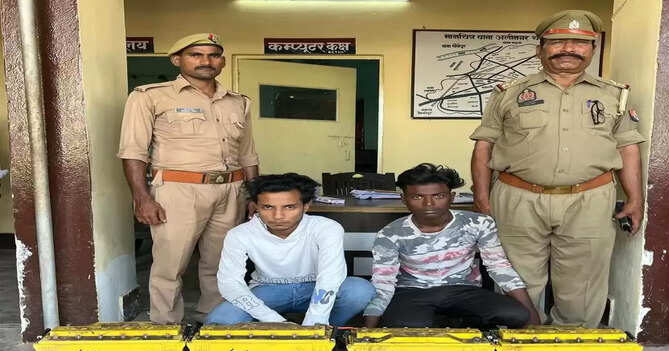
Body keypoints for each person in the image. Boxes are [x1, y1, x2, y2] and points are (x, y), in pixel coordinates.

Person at [469, 10, 645, 327]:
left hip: (590, 200)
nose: (568, 49)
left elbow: (627, 147)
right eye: (558, 42)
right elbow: (485, 145)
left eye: (579, 43)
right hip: (518, 198)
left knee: (583, 284)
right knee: (516, 280)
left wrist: (635, 199)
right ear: (540, 49)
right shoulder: (509, 93)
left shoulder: (614, 95)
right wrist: (482, 198)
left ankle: (570, 346)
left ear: (593, 49)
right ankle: (522, 346)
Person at [118, 33, 260, 324]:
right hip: (178, 190)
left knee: (222, 264)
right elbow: (133, 151)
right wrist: (141, 197)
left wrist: (254, 195)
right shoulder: (150, 96)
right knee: (171, 265)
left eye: (213, 55)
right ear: (176, 60)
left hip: (232, 191)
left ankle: (215, 322)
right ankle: (166, 327)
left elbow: (248, 154)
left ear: (222, 62)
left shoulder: (238, 102)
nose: (206, 61)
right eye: (196, 54)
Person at [362, 163, 540, 329]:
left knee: (516, 314)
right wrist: (368, 330)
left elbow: (499, 266)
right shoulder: (390, 233)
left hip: (464, 290)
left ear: (452, 197)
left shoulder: (479, 223)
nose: (429, 204)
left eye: (438, 196)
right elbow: (383, 282)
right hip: (412, 292)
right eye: (417, 197)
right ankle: (447, 323)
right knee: (408, 325)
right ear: (404, 199)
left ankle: (455, 323)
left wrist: (531, 315)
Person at [206, 173, 375, 326]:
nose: (278, 216)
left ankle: (329, 332)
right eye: (268, 207)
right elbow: (230, 283)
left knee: (360, 291)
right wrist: (276, 321)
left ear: (306, 206)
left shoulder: (327, 228)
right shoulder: (239, 234)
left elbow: (330, 276)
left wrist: (314, 323)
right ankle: (273, 336)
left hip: (314, 288)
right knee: (221, 320)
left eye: (289, 207)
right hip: (267, 290)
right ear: (256, 206)